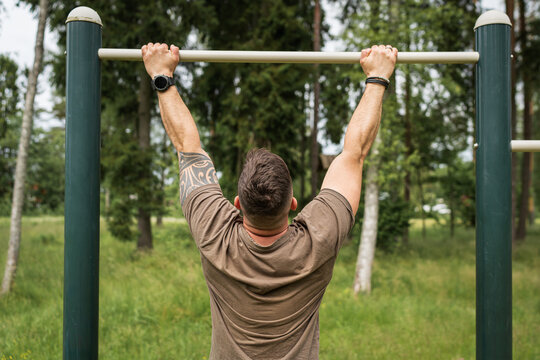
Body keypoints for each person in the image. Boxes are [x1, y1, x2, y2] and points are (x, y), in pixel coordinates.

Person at [141, 42, 398, 360]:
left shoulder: (214, 234)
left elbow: (187, 145)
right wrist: (378, 78)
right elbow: (354, 154)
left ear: (237, 204)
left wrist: (161, 75)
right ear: (293, 203)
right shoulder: (319, 238)